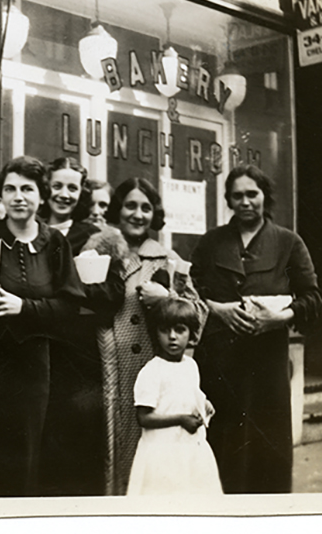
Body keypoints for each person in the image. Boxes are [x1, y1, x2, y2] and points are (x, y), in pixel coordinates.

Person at [190, 164, 322, 494]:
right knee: (222, 446)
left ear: (265, 196)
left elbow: (313, 299)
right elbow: (190, 291)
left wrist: (278, 318)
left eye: (253, 194)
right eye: (237, 195)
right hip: (220, 365)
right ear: (228, 200)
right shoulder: (211, 243)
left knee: (268, 451)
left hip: (267, 366)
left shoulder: (288, 242)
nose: (245, 201)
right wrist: (218, 310)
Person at [0, 156, 84, 497]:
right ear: (0, 196)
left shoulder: (55, 243)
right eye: (10, 189)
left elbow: (71, 305)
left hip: (34, 365)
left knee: (27, 453)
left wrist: (24, 307)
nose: (18, 196)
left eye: (27, 189)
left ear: (41, 196)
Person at [98, 177, 207, 495]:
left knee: (152, 463)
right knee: (110, 450)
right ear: (117, 210)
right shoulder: (101, 254)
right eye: (130, 205)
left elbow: (197, 316)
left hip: (152, 374)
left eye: (146, 208)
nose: (137, 214)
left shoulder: (169, 260)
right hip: (107, 370)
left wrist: (167, 297)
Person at [38, 157, 108, 496]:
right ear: (46, 186)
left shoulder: (94, 236)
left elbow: (109, 295)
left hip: (78, 349)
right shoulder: (30, 228)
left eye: (72, 187)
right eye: (57, 185)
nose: (63, 194)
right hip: (37, 341)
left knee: (76, 432)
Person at [126, 298, 221, 495]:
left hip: (188, 450)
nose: (172, 337)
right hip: (161, 453)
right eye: (164, 330)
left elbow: (188, 394)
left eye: (180, 330)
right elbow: (143, 417)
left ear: (191, 333)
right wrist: (180, 419)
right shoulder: (152, 371)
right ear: (155, 332)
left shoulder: (190, 365)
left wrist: (204, 404)